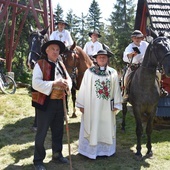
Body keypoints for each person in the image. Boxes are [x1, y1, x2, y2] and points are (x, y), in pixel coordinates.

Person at [32, 40, 72, 170]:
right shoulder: (40, 64)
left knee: (58, 130)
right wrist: (54, 83)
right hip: (45, 103)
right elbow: (36, 84)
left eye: (57, 50)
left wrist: (67, 85)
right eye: (53, 49)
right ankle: (38, 160)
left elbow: (69, 79)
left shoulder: (61, 65)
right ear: (47, 51)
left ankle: (57, 154)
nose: (55, 52)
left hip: (59, 102)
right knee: (42, 132)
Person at [76, 50, 123, 159]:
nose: (102, 59)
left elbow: (116, 89)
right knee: (92, 126)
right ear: (96, 59)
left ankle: (106, 151)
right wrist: (82, 105)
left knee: (106, 126)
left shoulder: (113, 73)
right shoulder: (89, 72)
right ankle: (90, 151)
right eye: (100, 57)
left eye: (104, 57)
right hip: (92, 107)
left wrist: (116, 103)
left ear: (107, 59)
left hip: (107, 107)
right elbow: (83, 88)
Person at [122, 30, 149, 99]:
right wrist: (131, 55)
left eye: (139, 37)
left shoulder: (146, 44)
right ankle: (125, 93)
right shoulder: (130, 47)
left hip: (145, 67)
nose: (137, 39)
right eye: (135, 38)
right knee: (125, 78)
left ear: (141, 38)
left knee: (157, 73)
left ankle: (160, 89)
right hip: (134, 67)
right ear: (132, 38)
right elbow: (125, 57)